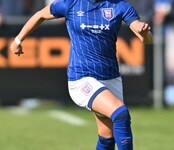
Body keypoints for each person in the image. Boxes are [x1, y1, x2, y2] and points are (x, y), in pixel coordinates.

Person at [10, 0, 153, 149]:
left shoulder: (120, 6)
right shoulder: (71, 4)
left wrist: (144, 33)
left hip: (111, 78)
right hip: (82, 79)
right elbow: (40, 15)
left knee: (107, 137)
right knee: (121, 114)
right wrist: (18, 40)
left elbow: (146, 38)